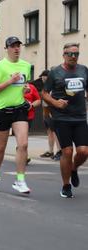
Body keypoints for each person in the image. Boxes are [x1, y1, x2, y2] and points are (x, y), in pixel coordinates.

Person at [42, 43, 88, 198]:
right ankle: (66, 185)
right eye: (70, 54)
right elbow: (45, 93)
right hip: (61, 118)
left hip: (80, 117)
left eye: (76, 54)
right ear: (64, 55)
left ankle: (73, 168)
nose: (73, 57)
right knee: (67, 152)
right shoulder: (55, 72)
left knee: (83, 152)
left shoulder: (83, 70)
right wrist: (55, 103)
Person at [0, 36, 32, 194]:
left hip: (19, 109)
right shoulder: (0, 67)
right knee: (0, 148)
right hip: (2, 110)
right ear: (6, 48)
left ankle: (20, 180)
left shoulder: (26, 65)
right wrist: (10, 81)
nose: (16, 49)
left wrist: (25, 89)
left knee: (23, 144)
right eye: (13, 46)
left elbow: (25, 85)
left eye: (18, 46)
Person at [39, 70, 62, 161]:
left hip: (53, 111)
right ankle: (50, 150)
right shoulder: (45, 86)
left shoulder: (53, 86)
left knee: (56, 131)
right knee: (49, 131)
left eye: (43, 76)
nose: (42, 78)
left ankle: (60, 151)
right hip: (46, 111)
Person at [23, 82, 41, 164]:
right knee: (22, 136)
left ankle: (22, 151)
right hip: (16, 114)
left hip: (29, 115)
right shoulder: (13, 85)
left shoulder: (31, 87)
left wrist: (31, 105)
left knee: (24, 135)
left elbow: (38, 100)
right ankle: (23, 154)